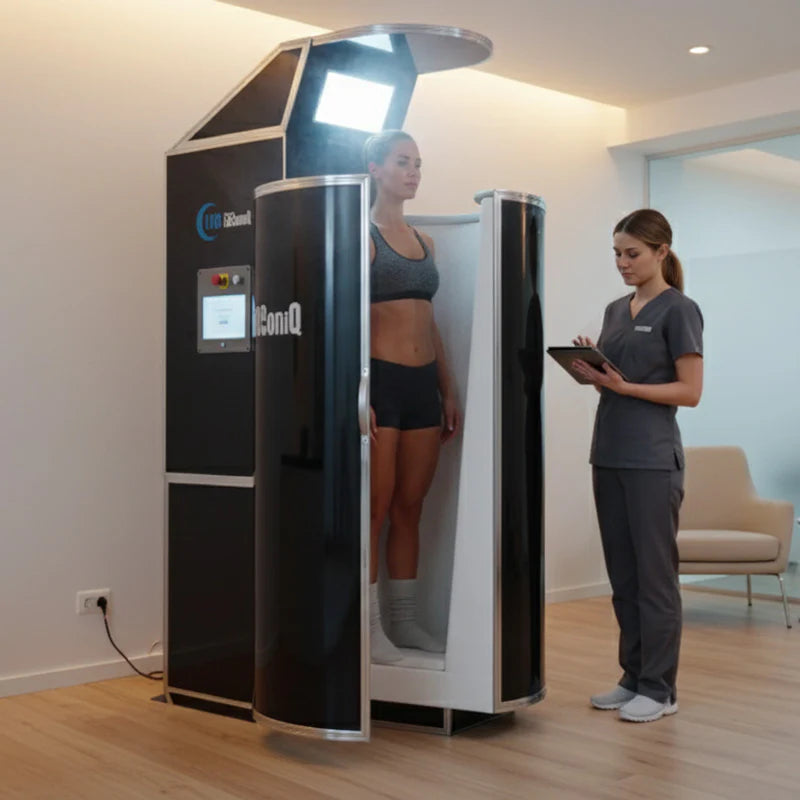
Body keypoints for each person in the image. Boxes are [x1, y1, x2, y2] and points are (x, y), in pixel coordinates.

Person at [571, 208, 703, 722]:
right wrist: (593, 369)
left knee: (654, 578)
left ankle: (660, 688)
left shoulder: (680, 310)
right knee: (623, 576)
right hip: (608, 453)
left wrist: (625, 386)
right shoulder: (613, 310)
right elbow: (616, 380)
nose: (623, 263)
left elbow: (689, 391)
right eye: (617, 255)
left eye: (633, 254)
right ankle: (632, 677)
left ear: (661, 253)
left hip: (652, 459)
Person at [363, 130, 460, 664]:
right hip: (381, 384)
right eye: (403, 162)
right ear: (375, 169)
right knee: (375, 508)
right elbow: (347, 319)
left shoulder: (427, 242)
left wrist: (448, 388)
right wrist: (358, 395)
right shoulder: (363, 234)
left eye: (418, 163)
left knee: (410, 507)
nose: (414, 172)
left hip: (424, 388)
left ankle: (404, 624)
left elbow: (432, 322)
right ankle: (369, 628)